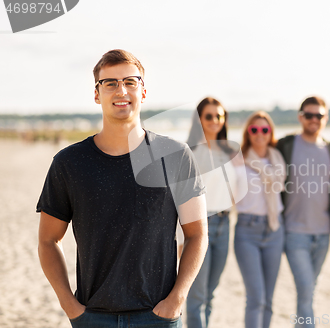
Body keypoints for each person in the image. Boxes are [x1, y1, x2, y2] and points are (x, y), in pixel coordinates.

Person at [37, 49, 208, 328]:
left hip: (158, 317)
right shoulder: (69, 163)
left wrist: (177, 298)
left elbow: (197, 234)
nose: (121, 90)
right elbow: (47, 240)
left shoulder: (175, 155)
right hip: (92, 317)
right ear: (97, 94)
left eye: (130, 82)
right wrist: (70, 305)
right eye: (111, 83)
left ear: (142, 92)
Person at [276, 96, 330, 328]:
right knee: (306, 290)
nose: (314, 119)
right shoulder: (285, 145)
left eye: (319, 115)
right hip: (294, 233)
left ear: (325, 119)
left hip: (323, 235)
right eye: (309, 115)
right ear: (300, 117)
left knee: (309, 293)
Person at [185, 97, 240, 328]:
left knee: (211, 292)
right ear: (199, 119)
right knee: (197, 295)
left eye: (219, 116)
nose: (215, 120)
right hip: (199, 225)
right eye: (209, 116)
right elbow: (181, 198)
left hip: (225, 224)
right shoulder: (189, 153)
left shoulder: (229, 151)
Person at [234, 111, 286, 328]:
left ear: (270, 132)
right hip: (247, 231)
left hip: (275, 229)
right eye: (254, 129)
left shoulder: (277, 158)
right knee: (256, 298)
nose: (259, 134)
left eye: (264, 129)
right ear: (248, 132)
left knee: (269, 300)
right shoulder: (238, 159)